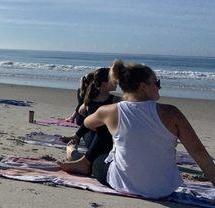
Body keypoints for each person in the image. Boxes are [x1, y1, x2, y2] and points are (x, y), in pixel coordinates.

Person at [61, 60, 215, 199]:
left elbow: (87, 123)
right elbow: (199, 153)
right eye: (157, 82)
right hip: (164, 189)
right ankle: (81, 158)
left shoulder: (110, 111)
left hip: (122, 183)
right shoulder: (172, 113)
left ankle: (82, 160)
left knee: (100, 157)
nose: (159, 87)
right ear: (143, 86)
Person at [65, 68, 120, 161]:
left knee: (100, 124)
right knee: (100, 124)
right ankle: (75, 146)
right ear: (104, 83)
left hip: (98, 138)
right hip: (97, 139)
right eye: (113, 79)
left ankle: (76, 141)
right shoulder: (112, 100)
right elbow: (83, 116)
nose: (117, 82)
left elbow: (81, 111)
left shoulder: (94, 100)